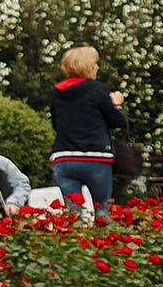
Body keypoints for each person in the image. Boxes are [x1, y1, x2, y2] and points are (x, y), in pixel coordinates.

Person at [49, 44, 123, 214]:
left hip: (64, 158)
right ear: (88, 66)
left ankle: (74, 240)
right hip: (95, 158)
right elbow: (116, 120)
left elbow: (56, 123)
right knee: (102, 210)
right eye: (95, 63)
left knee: (73, 213)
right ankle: (102, 240)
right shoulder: (97, 90)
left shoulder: (57, 92)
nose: (97, 67)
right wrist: (116, 103)